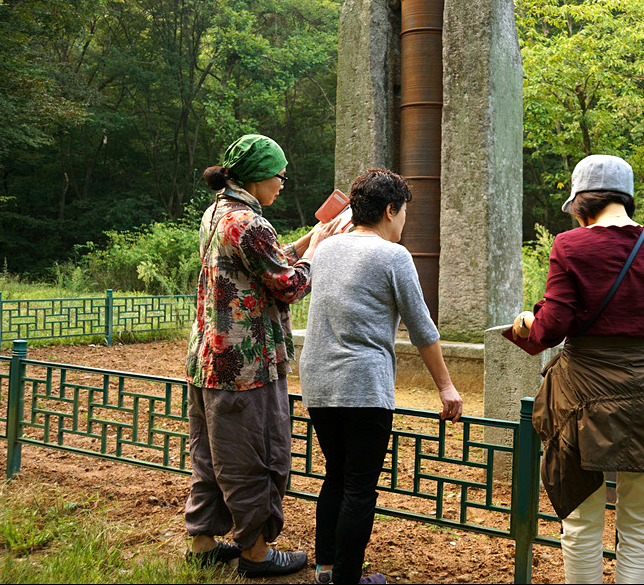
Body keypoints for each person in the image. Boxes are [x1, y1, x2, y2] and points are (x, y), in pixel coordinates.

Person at [512, 155, 644, 584]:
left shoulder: (570, 245)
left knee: (582, 523)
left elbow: (552, 329)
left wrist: (530, 320)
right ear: (626, 198)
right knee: (642, 527)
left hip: (582, 396)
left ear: (582, 202)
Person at [183, 134, 341, 578]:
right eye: (280, 176)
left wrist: (310, 240)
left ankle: (203, 542)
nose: (283, 184)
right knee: (254, 456)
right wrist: (315, 257)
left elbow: (263, 262)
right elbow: (288, 284)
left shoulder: (218, 213)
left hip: (209, 359)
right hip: (246, 364)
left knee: (210, 456)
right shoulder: (250, 224)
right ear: (258, 176)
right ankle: (256, 554)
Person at [299, 168, 464, 585]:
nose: (404, 220)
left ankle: (326, 568)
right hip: (363, 387)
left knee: (335, 476)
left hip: (318, 383)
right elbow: (422, 328)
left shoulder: (327, 248)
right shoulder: (394, 255)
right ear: (391, 210)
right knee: (359, 487)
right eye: (404, 211)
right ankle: (348, 579)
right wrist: (445, 385)